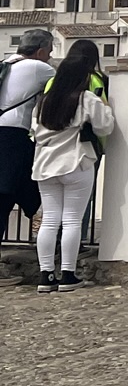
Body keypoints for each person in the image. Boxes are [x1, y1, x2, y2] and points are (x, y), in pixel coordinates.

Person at [30, 38, 113, 294]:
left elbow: (34, 130)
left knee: (49, 220)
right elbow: (104, 126)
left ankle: (46, 275)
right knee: (72, 220)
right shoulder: (86, 98)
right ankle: (68, 274)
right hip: (76, 161)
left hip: (45, 164)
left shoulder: (44, 101)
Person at [0, 32, 56, 240]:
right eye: (49, 52)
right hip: (12, 136)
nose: (50, 56)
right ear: (41, 51)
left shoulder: (6, 63)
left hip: (5, 133)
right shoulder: (38, 68)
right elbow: (67, 85)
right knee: (6, 195)